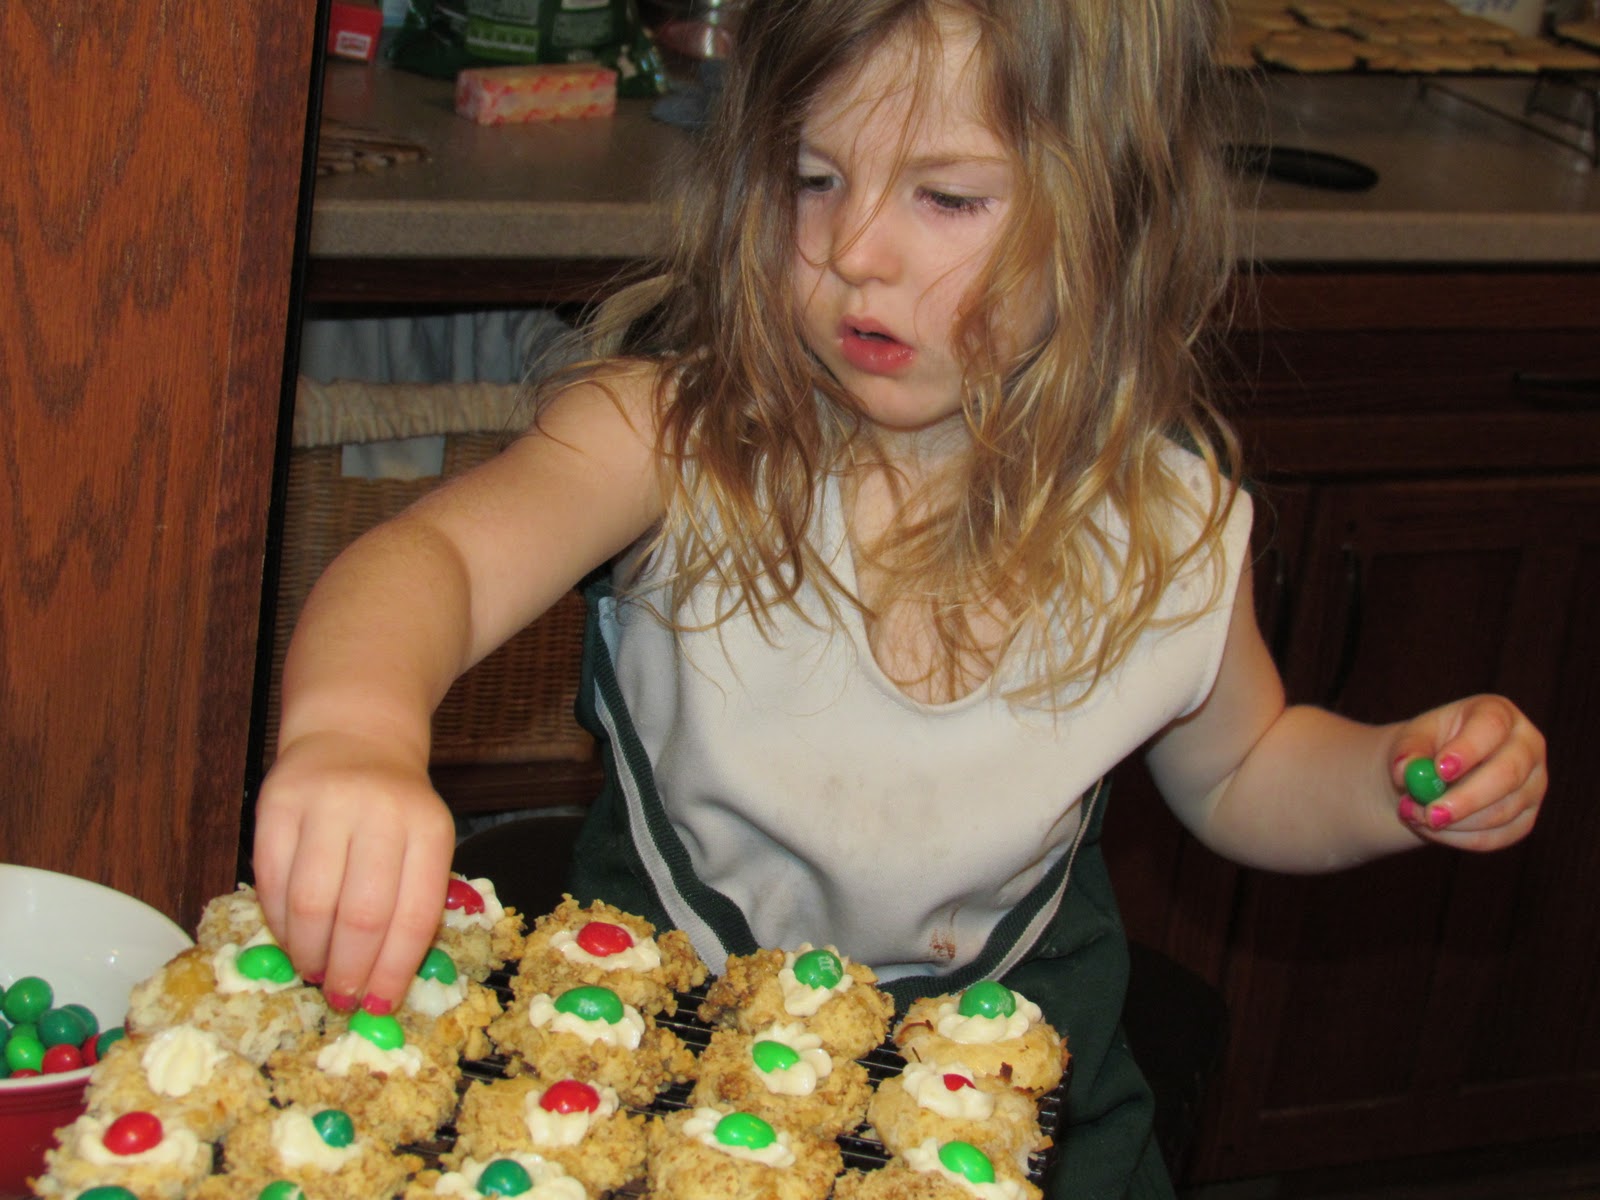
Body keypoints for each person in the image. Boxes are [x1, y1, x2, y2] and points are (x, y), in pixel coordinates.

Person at [253, 0, 1547, 1193]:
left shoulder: (1163, 525)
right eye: (814, 180)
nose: (857, 250)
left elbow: (1248, 768)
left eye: (948, 196)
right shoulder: (674, 434)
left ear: (1113, 218)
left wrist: (1389, 776)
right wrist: (353, 730)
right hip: (652, 1066)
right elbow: (438, 562)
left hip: (1023, 1110)